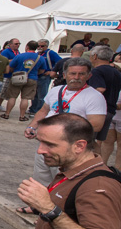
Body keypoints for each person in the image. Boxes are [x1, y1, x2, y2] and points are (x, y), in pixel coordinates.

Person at [23, 57, 106, 190]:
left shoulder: (94, 97)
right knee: (42, 177)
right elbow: (44, 111)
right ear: (64, 74)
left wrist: (64, 133)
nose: (76, 77)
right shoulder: (56, 90)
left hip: (68, 146)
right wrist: (32, 127)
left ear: (89, 76)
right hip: (45, 143)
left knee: (63, 182)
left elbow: (96, 124)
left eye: (81, 74)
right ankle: (39, 200)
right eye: (73, 73)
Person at [87, 46, 121, 156]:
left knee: (87, 141)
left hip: (98, 111)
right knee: (97, 142)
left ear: (95, 56)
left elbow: (100, 89)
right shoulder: (116, 72)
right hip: (110, 110)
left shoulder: (97, 71)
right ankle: (100, 163)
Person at [2, 41, 43, 121]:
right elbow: (42, 70)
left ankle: (7, 114)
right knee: (25, 98)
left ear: (27, 47)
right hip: (32, 78)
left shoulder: (20, 56)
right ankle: (22, 116)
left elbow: (11, 67)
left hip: (18, 78)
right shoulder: (40, 58)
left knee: (12, 97)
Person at [29, 39, 61, 115]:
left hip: (44, 77)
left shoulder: (50, 53)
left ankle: (39, 111)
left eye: (42, 46)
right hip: (36, 76)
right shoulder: (37, 54)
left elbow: (60, 62)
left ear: (47, 46)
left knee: (42, 95)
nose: (40, 47)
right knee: (34, 95)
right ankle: (33, 109)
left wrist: (52, 71)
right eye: (38, 46)